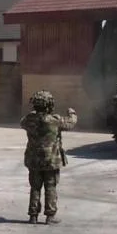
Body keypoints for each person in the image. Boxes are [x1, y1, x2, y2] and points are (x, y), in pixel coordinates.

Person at [20, 90, 78, 225]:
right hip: (50, 161)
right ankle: (50, 216)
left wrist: (34, 114)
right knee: (50, 187)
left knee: (35, 187)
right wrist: (72, 113)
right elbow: (71, 123)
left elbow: (22, 122)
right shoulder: (54, 121)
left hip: (34, 160)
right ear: (49, 105)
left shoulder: (29, 120)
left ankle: (33, 216)